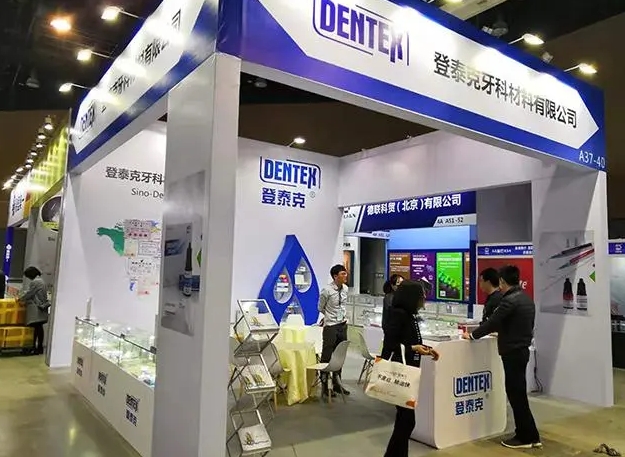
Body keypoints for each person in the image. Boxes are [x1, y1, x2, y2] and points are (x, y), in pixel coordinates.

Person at [462, 265, 541, 449]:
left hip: (512, 352)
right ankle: (530, 434)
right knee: (518, 395)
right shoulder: (526, 299)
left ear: (503, 281)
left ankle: (526, 437)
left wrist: (472, 335)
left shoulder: (509, 301)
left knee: (516, 395)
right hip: (521, 350)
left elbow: (493, 322)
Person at [381, 280, 440, 457]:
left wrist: (425, 349)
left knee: (404, 420)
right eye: (421, 295)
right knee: (406, 421)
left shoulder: (409, 315)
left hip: (409, 370)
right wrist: (414, 348)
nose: (424, 298)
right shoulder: (398, 314)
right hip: (401, 371)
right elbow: (391, 344)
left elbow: (409, 341)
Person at [317, 264, 350, 398]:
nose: (345, 276)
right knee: (327, 355)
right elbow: (320, 307)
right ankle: (325, 386)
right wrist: (330, 316)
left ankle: (337, 383)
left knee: (339, 355)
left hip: (343, 325)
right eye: (343, 274)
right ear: (335, 276)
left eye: (345, 273)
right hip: (331, 326)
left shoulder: (346, 289)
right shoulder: (327, 290)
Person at [18, 267, 49, 355]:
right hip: (42, 307)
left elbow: (30, 293)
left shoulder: (35, 282)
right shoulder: (41, 281)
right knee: (39, 328)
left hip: (36, 309)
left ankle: (33, 348)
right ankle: (39, 348)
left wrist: (20, 299)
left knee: (35, 329)